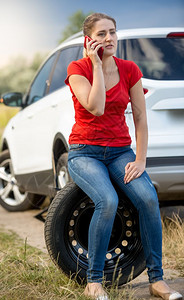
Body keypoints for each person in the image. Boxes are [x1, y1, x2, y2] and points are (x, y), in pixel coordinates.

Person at [65, 13, 183, 300]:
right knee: (107, 201)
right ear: (89, 40)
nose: (109, 39)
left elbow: (141, 118)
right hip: (85, 153)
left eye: (113, 33)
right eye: (102, 34)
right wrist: (96, 63)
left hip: (120, 152)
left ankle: (157, 280)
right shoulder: (78, 68)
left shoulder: (130, 69)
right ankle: (94, 282)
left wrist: (140, 160)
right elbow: (96, 108)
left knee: (148, 197)